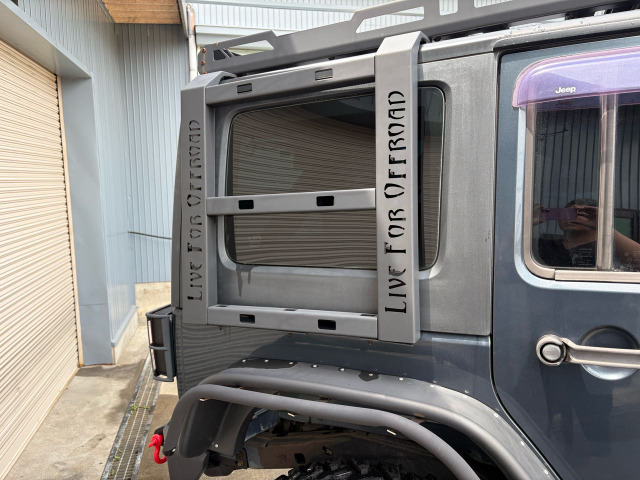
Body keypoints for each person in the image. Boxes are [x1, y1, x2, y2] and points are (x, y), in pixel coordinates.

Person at [534, 199, 640, 270]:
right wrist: (530, 221)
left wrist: (604, 226)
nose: (572, 217)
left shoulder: (609, 248)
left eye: (583, 213)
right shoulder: (545, 242)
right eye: (568, 213)